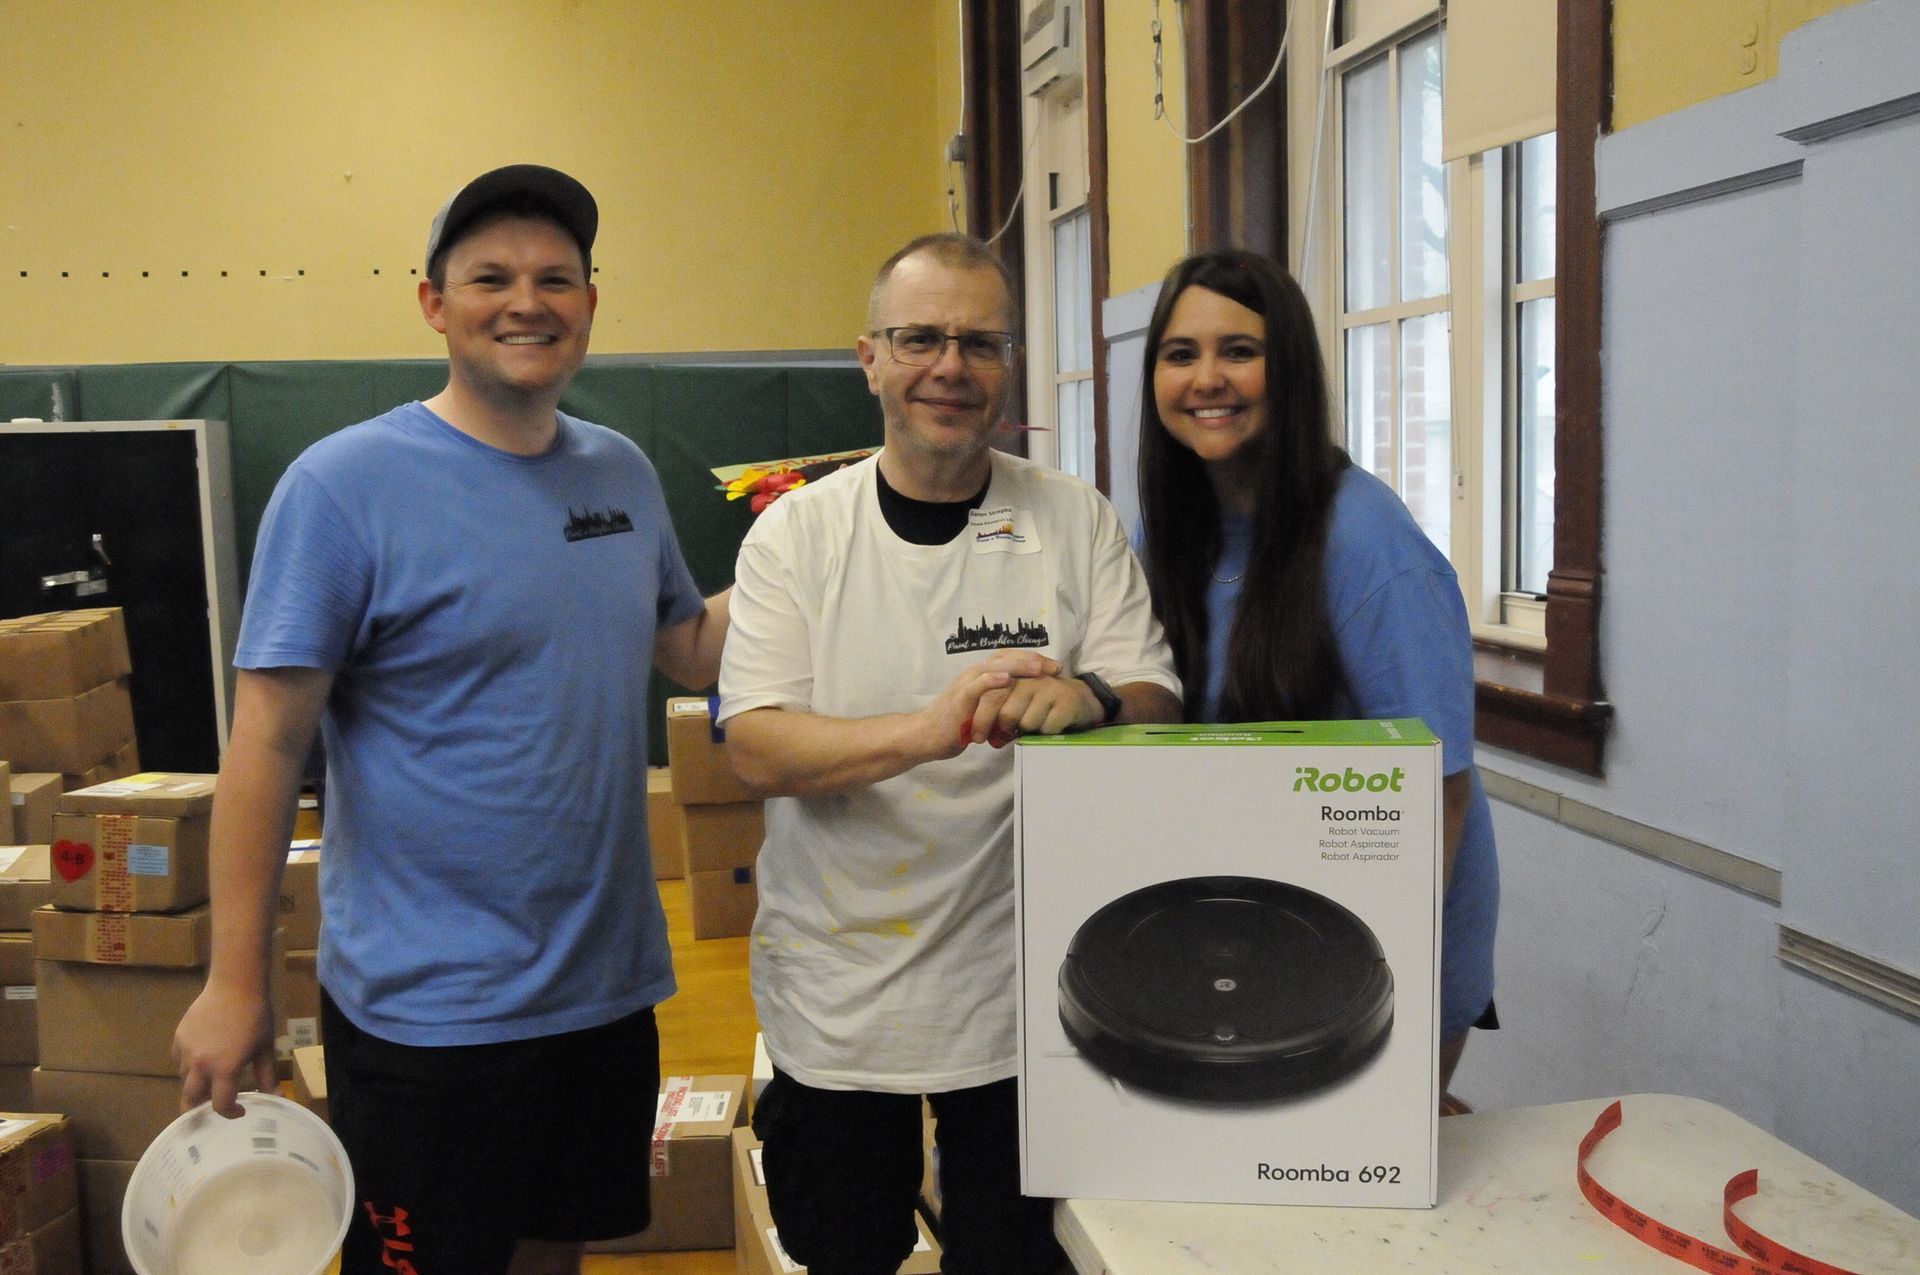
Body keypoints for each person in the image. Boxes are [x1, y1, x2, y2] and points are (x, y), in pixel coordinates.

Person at [172, 164, 730, 1275]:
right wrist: (238, 982)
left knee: (552, 1262)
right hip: (431, 1022)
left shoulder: (618, 471)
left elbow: (688, 648)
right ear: (435, 303)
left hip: (601, 993)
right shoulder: (343, 487)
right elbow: (267, 743)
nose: (528, 301)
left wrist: (838, 550)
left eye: (555, 278)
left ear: (590, 303)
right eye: (492, 278)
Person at [718, 233, 1181, 1275]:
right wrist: (932, 731)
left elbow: (1151, 691)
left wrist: (1092, 696)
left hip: (1030, 995)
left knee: (1019, 1260)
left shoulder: (1073, 519)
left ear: (1007, 364)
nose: (949, 367)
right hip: (839, 1000)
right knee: (847, 1255)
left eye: (979, 342)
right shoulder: (796, 537)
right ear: (869, 357)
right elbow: (755, 746)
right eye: (919, 337)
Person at [1134, 247, 1498, 1103]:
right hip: (1257, 926)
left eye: (1240, 351)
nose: (1207, 378)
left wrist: (1383, 986)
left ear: (1288, 369)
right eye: (1180, 354)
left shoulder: (1369, 543)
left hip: (1383, 938)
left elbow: (1437, 790)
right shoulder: (1168, 537)